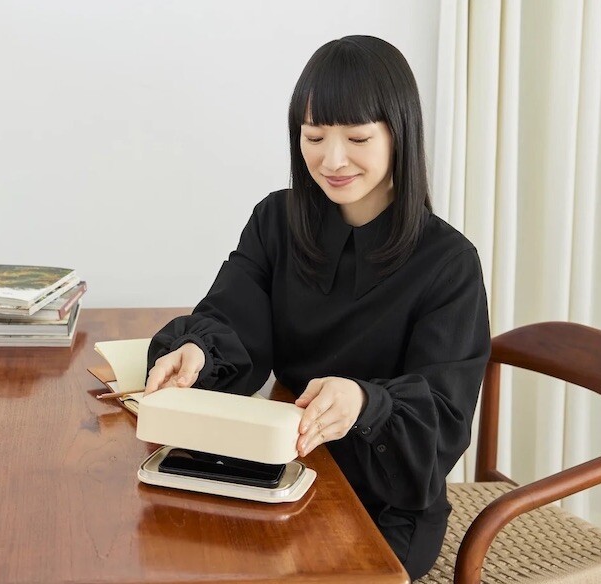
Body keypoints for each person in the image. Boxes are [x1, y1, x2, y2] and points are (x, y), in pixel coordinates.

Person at [142, 35, 490, 580]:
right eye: (313, 136)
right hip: (280, 466)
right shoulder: (275, 222)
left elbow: (441, 421)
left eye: (356, 137)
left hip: (383, 502)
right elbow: (232, 318)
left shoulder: (448, 263)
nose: (331, 160)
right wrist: (196, 351)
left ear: (400, 133)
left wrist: (363, 402)